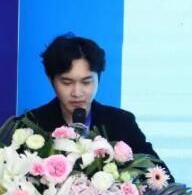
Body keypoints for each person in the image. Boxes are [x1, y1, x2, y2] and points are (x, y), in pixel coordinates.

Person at [21, 33, 172, 177]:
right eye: (67, 82)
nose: (77, 93)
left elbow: (162, 179)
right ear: (50, 79)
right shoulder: (30, 125)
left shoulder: (121, 122)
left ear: (99, 78)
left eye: (86, 82)